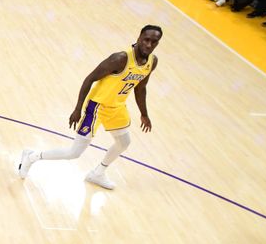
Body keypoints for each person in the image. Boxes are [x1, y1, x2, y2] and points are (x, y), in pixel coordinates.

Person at [18, 25, 163, 190]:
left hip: (117, 107)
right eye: (146, 40)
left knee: (124, 142)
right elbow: (89, 79)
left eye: (154, 42)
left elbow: (140, 88)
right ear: (139, 38)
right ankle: (32, 156)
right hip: (96, 107)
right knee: (74, 153)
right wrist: (78, 109)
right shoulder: (120, 58)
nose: (149, 45)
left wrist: (144, 114)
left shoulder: (152, 62)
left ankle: (98, 173)